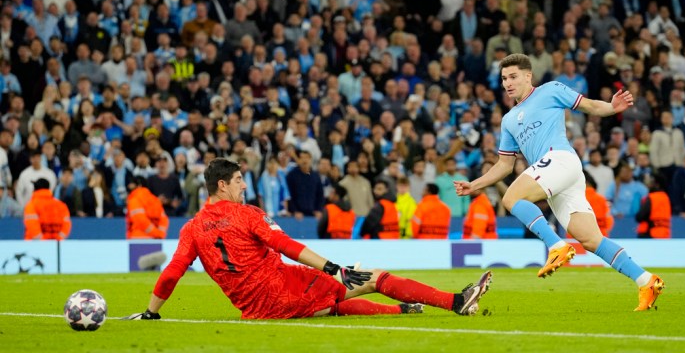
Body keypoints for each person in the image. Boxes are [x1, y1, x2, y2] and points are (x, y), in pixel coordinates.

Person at [125, 159, 492, 320]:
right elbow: (286, 246)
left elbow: (172, 273)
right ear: (223, 184)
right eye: (238, 181)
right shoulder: (247, 214)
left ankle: (402, 310)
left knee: (331, 302)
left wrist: (151, 312)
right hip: (284, 287)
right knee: (375, 278)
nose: (243, 186)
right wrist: (334, 267)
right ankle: (455, 301)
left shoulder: (191, 228)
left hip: (255, 311)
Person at [454, 54, 664, 311]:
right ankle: (646, 281)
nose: (507, 83)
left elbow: (589, 106)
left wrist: (612, 107)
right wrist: (475, 185)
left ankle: (556, 246)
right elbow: (504, 165)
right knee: (590, 239)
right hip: (558, 176)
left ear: (528, 76)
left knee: (511, 198)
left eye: (513, 77)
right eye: (504, 79)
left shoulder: (550, 90)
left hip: (560, 159)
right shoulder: (509, 120)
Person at [636, 175, 671, 239]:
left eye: (652, 182)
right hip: (664, 233)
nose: (649, 185)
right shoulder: (666, 198)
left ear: (657, 185)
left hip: (649, 233)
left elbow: (640, 216)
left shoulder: (652, 198)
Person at [583, 172, 614, 238]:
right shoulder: (602, 199)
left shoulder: (576, 199)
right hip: (599, 235)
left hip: (576, 236)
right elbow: (608, 218)